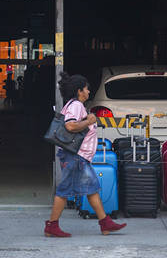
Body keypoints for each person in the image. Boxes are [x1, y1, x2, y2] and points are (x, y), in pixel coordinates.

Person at [47, 73, 127, 238]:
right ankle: (52, 226)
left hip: (78, 157)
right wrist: (89, 121)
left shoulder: (73, 104)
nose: (89, 92)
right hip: (76, 157)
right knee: (65, 191)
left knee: (92, 189)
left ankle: (105, 223)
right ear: (79, 91)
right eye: (86, 89)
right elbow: (70, 126)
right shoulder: (76, 105)